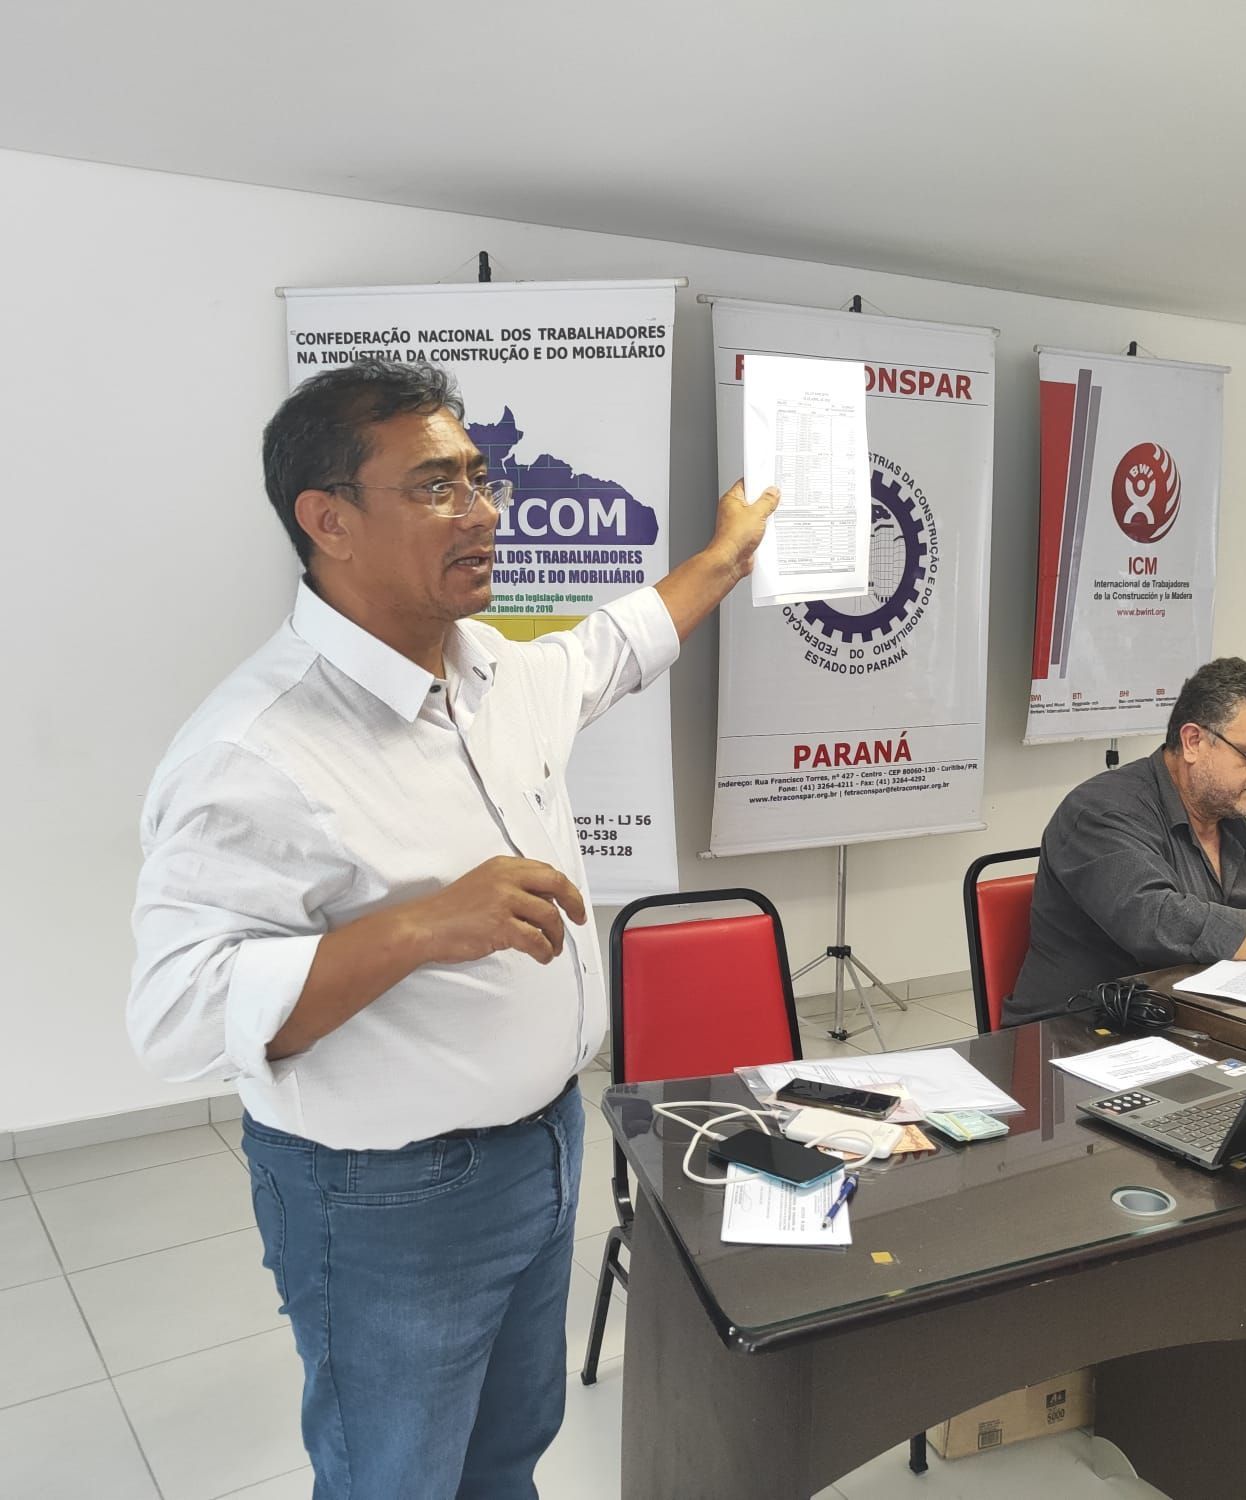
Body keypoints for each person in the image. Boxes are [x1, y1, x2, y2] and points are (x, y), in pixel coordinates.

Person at [127, 359, 778, 1499]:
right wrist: (420, 928)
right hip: (385, 1198)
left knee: (504, 1456)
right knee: (396, 1479)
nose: (483, 511)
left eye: (480, 478)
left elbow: (617, 645)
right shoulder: (255, 747)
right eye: (437, 486)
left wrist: (726, 555)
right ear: (327, 520)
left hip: (544, 1145)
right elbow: (176, 1017)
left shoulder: (497, 675)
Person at [1008, 657, 1246, 1023]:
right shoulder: (1101, 810)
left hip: (1192, 1018)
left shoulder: (1232, 824)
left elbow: (1244, 917)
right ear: (1193, 741)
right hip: (1080, 1029)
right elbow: (1159, 924)